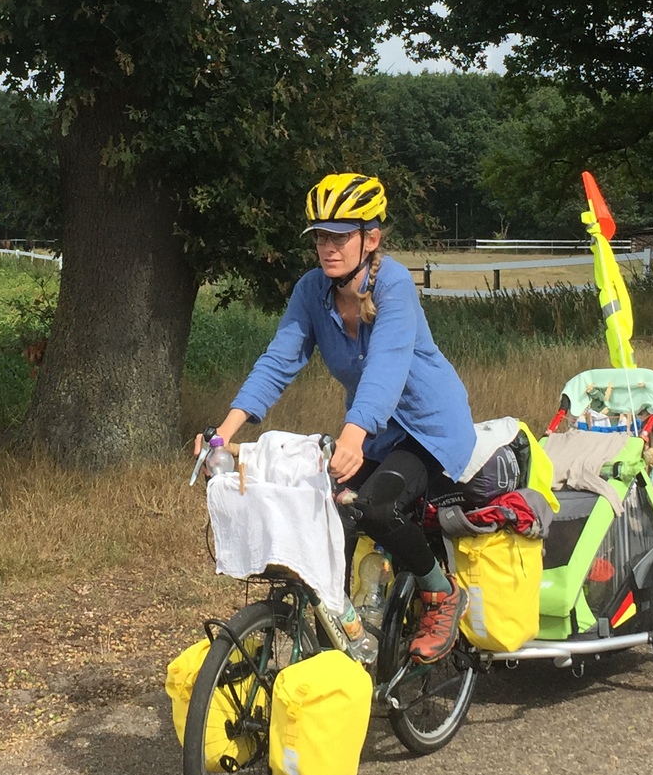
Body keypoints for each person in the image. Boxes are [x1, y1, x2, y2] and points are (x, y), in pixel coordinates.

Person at [200, 173, 476, 663]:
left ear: (371, 239)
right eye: (320, 237)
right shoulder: (312, 291)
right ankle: (342, 634)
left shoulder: (394, 285)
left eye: (340, 236)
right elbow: (279, 360)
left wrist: (353, 435)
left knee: (373, 507)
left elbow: (387, 366)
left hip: (430, 429)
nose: (328, 247)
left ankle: (441, 593)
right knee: (326, 514)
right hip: (375, 432)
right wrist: (221, 435)